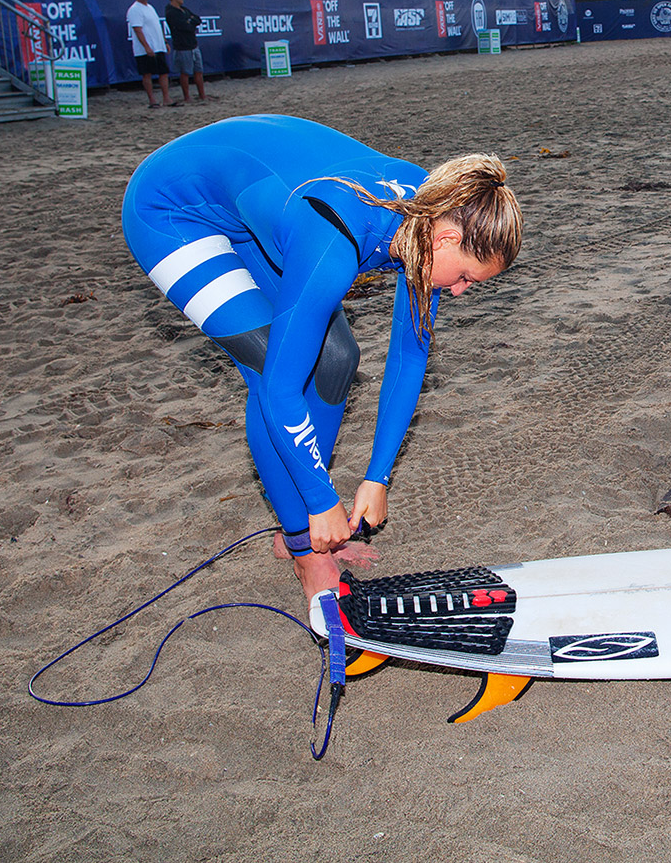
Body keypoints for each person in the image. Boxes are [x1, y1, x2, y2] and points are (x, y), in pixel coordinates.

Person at [121, 115, 522, 607]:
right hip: (172, 208)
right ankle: (304, 548)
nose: (459, 291)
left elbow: (410, 354)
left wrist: (377, 477)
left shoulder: (436, 207)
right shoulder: (336, 239)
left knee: (335, 358)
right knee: (272, 366)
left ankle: (309, 517)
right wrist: (320, 501)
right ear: (445, 240)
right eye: (464, 278)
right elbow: (281, 391)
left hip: (261, 206)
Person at [163, 0, 213, 105]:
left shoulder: (183, 10)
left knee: (198, 70)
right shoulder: (171, 12)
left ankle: (202, 95)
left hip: (192, 44)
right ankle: (187, 97)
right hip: (183, 46)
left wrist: (190, 21)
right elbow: (185, 27)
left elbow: (197, 19)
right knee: (185, 72)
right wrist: (190, 22)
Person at [127, 0, 172, 108]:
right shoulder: (135, 9)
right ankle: (152, 100)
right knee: (147, 74)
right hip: (145, 49)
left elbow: (157, 26)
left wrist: (164, 42)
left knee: (163, 72)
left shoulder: (150, 7)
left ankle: (166, 98)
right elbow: (137, 29)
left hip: (158, 45)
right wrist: (146, 46)